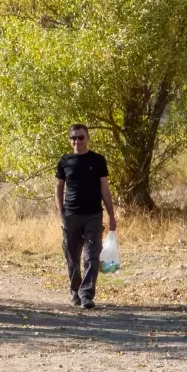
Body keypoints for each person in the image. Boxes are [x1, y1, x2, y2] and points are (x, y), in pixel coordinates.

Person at [55, 123, 118, 309]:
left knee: (92, 256)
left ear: (87, 138)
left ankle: (87, 295)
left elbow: (104, 189)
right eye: (73, 138)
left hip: (93, 215)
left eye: (81, 137)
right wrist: (61, 213)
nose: (77, 141)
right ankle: (74, 292)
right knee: (72, 256)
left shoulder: (98, 160)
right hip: (71, 214)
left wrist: (111, 215)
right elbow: (58, 188)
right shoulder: (64, 161)